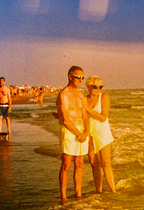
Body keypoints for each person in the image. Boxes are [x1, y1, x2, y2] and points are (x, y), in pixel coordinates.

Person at [56, 66, 90, 200]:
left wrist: (86, 131)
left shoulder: (80, 94)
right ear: (70, 77)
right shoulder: (64, 94)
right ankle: (63, 196)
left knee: (80, 163)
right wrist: (78, 134)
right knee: (66, 164)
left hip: (81, 129)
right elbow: (65, 119)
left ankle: (78, 193)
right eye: (78, 77)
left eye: (82, 77)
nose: (80, 80)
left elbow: (85, 115)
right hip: (70, 131)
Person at [83, 75, 116, 193]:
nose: (98, 89)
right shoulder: (84, 99)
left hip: (102, 133)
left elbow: (103, 117)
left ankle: (113, 192)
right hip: (89, 134)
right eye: (95, 86)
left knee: (106, 164)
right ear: (88, 86)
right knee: (94, 164)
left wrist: (88, 110)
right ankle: (99, 192)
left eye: (100, 86)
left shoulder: (104, 97)